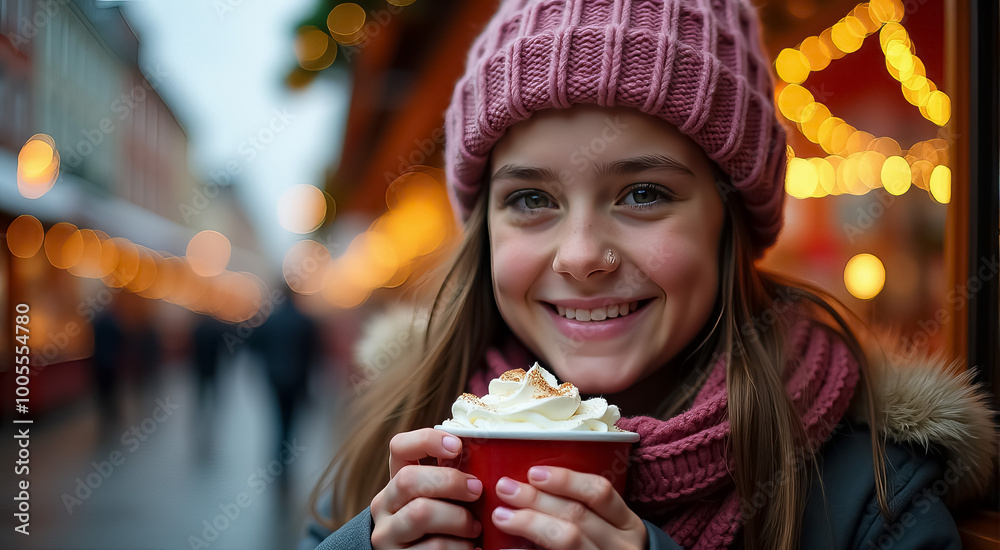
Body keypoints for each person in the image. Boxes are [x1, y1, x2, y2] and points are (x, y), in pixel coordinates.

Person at [302, 0, 998, 548]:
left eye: (643, 194)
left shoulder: (872, 494)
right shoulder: (401, 438)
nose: (580, 255)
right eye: (531, 199)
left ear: (731, 220)